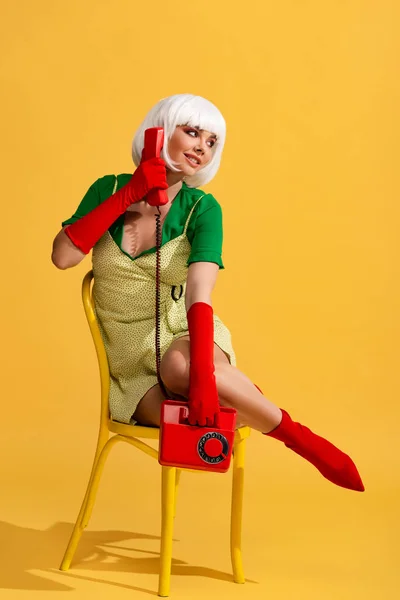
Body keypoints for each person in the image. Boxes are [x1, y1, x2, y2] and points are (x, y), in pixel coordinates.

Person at [51, 93, 364, 492]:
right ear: (160, 131)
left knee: (184, 371)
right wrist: (128, 196)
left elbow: (200, 291)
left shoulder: (203, 209)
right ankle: (241, 395)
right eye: (193, 132)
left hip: (187, 334)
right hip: (128, 359)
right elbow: (63, 257)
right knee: (203, 423)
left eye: (212, 141)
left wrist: (201, 376)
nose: (202, 147)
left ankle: (299, 438)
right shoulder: (107, 189)